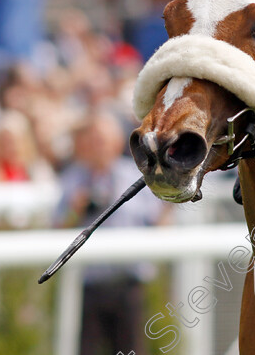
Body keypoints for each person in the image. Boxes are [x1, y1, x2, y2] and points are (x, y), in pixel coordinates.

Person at [53, 109, 170, 355]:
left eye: (103, 140)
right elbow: (56, 229)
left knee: (132, 349)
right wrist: (76, 209)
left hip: (129, 284)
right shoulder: (72, 179)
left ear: (117, 142)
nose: (98, 147)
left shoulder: (136, 177)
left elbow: (158, 221)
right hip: (88, 286)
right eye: (93, 140)